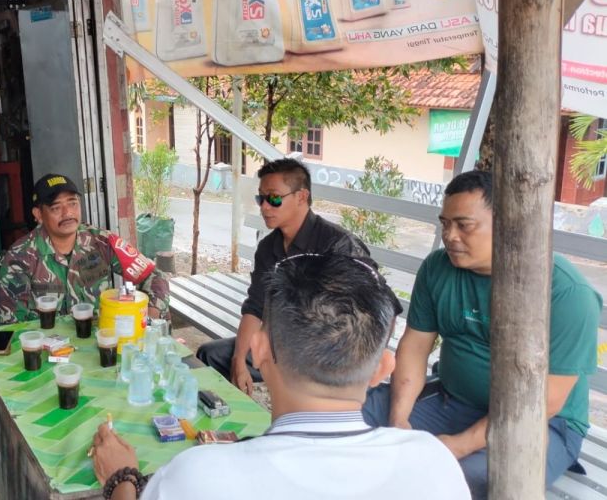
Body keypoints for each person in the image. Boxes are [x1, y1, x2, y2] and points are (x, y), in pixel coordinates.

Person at [90, 254, 470, 500]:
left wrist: (121, 477)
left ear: (258, 349)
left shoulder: (199, 475)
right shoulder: (433, 463)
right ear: (382, 370)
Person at [362, 170, 602, 498]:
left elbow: (547, 401)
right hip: (451, 402)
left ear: (507, 222)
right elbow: (415, 348)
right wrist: (398, 420)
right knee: (344, 414)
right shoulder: (437, 268)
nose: (449, 235)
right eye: (445, 223)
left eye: (464, 225)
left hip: (539, 425)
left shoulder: (563, 291)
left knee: (460, 480)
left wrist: (457, 447)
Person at [196, 158, 370, 394]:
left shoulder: (338, 246)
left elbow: (371, 314)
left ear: (301, 196)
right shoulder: (269, 248)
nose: (265, 207)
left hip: (329, 356)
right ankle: (233, 425)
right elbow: (256, 306)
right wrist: (238, 360)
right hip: (283, 347)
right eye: (261, 198)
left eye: (274, 198)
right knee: (211, 356)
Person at [0, 173, 170, 323]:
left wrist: (150, 316)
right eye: (56, 207)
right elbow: (11, 323)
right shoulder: (20, 257)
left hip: (100, 340)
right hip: (48, 350)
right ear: (39, 215)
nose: (67, 213)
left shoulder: (102, 241)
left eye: (72, 203)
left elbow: (154, 275)